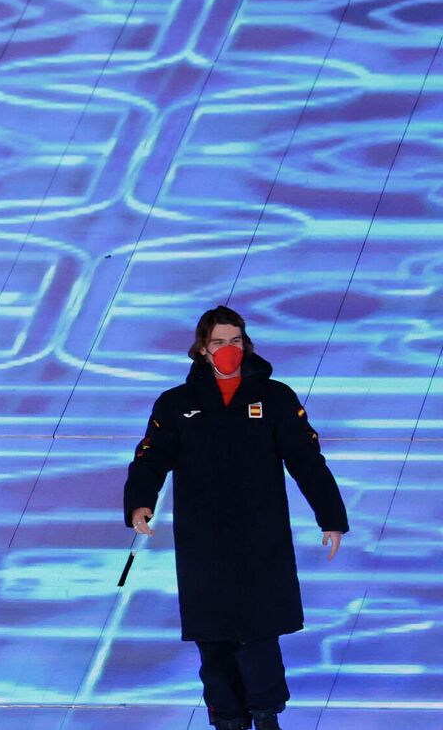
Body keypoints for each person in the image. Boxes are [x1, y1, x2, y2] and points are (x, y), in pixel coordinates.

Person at [124, 306, 348, 730]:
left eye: (235, 340)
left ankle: (265, 716)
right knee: (213, 637)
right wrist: (139, 502)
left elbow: (306, 459)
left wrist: (330, 517)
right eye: (218, 342)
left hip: (261, 537)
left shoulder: (276, 397)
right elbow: (151, 458)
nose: (228, 349)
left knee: (259, 632)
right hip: (202, 540)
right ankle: (226, 718)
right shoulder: (177, 404)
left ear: (246, 344)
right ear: (202, 349)